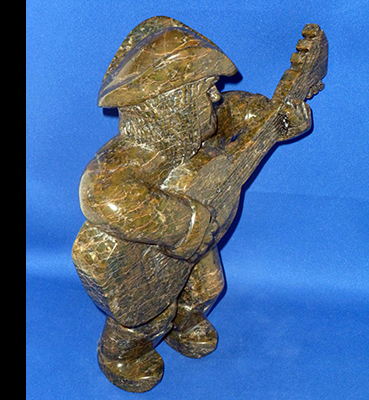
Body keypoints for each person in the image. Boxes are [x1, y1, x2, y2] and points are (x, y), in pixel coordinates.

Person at [72, 16, 326, 392]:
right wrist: (184, 224)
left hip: (198, 246)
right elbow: (102, 195)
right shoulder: (129, 158)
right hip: (142, 262)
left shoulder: (208, 123)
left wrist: (280, 119)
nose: (216, 97)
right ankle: (121, 356)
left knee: (208, 287)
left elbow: (242, 111)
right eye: (206, 90)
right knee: (146, 318)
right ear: (171, 105)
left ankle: (185, 322)